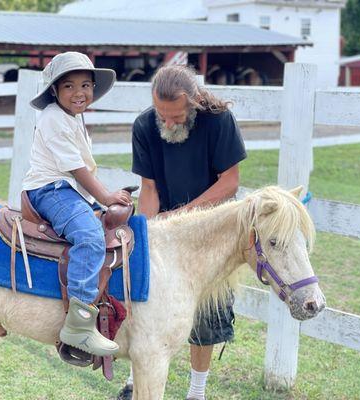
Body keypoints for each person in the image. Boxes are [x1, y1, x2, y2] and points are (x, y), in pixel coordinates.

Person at [117, 65, 246, 400]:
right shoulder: (145, 125)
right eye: (162, 114)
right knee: (144, 302)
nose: (168, 122)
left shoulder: (219, 122)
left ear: (194, 102)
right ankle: (135, 381)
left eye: (175, 116)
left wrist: (181, 217)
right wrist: (145, 234)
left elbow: (229, 183)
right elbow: (149, 187)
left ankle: (196, 392)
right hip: (163, 227)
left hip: (212, 231)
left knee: (205, 317)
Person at [23, 52, 132, 357]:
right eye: (68, 86)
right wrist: (106, 197)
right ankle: (79, 325)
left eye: (85, 85)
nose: (79, 93)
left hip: (66, 190)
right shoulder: (52, 118)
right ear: (54, 91)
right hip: (51, 190)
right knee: (89, 236)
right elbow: (76, 169)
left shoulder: (72, 117)